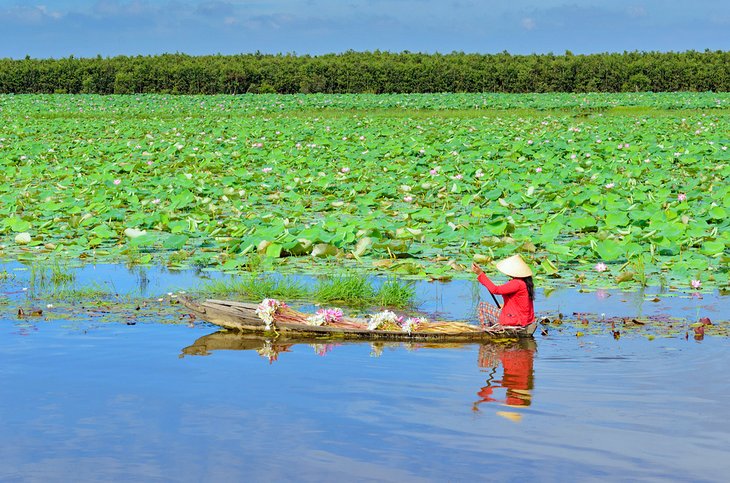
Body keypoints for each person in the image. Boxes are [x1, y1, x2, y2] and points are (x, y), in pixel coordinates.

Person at [471, 254, 535, 328]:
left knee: (482, 306)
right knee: (501, 306)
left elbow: (495, 290)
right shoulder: (525, 282)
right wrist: (505, 307)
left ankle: (487, 330)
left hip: (515, 320)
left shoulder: (516, 283)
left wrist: (480, 274)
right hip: (525, 319)